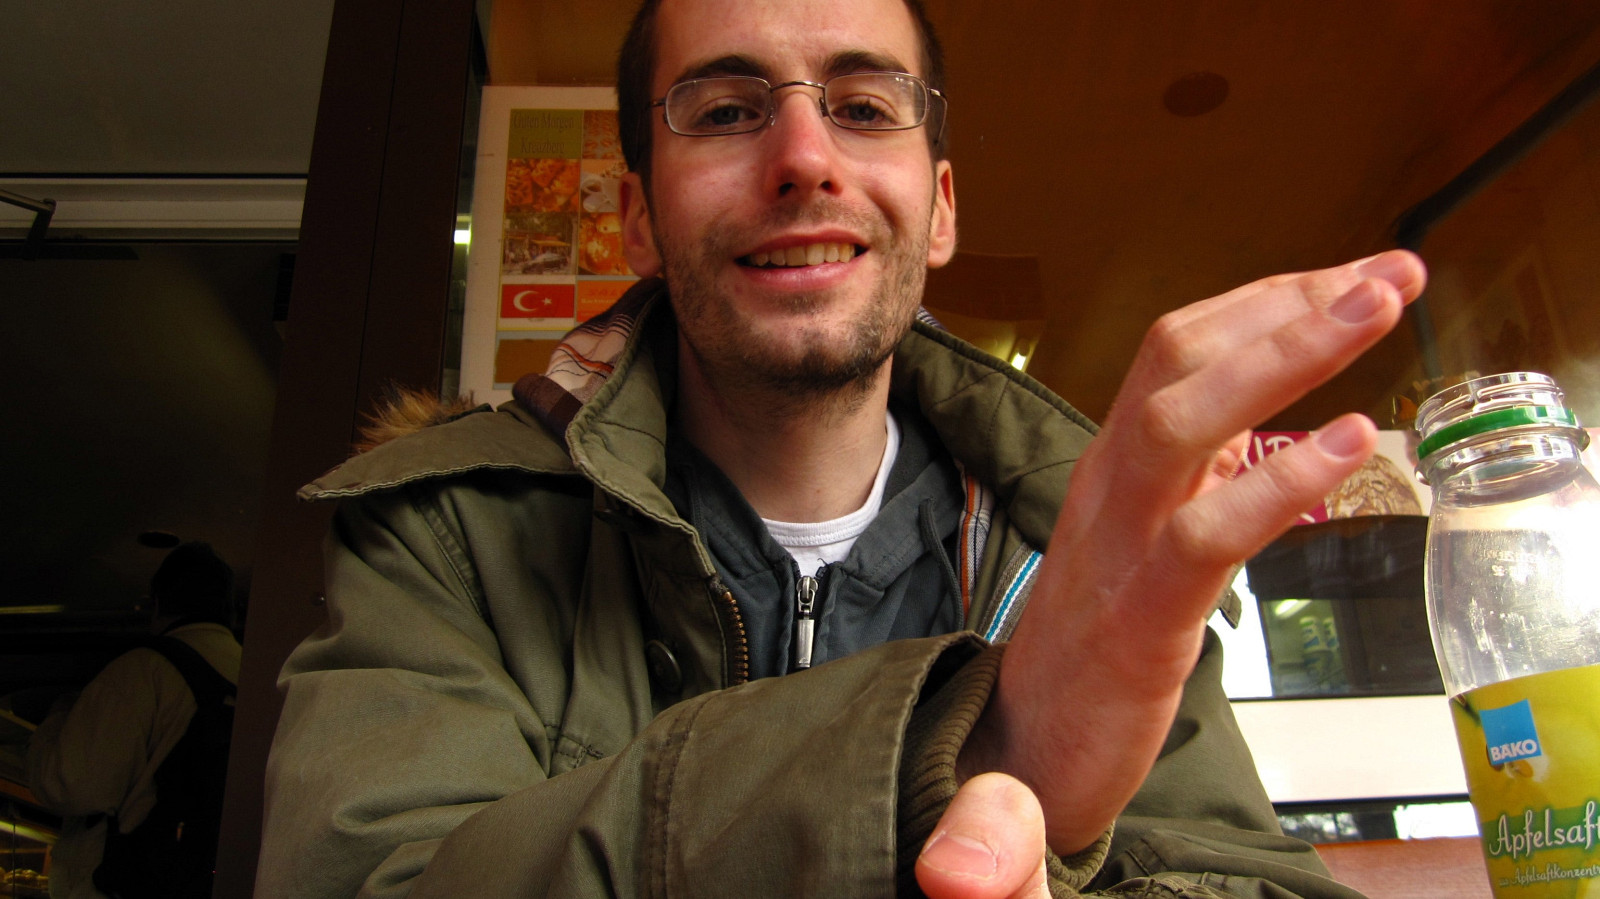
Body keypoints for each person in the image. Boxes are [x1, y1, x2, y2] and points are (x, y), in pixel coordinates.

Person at [256, 0, 1428, 895]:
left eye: (864, 108)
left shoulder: (1087, 547)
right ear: (637, 219)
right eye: (726, 111)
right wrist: (970, 750)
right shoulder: (444, 531)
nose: (804, 157)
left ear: (942, 205)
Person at [28, 542, 242, 899]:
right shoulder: (253, 677)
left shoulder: (142, 672)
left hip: (128, 882)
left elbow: (72, 787)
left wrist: (57, 718)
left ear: (157, 604)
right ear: (228, 609)